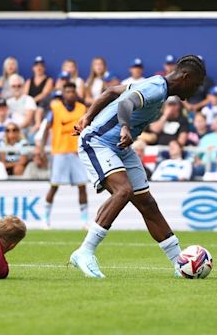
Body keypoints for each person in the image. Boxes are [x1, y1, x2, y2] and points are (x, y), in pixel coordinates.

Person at [69, 55, 206, 278]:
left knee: (147, 204)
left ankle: (179, 263)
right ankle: (85, 251)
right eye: (197, 84)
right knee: (124, 191)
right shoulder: (155, 87)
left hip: (120, 148)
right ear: (186, 77)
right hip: (99, 142)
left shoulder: (154, 85)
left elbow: (113, 91)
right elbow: (124, 102)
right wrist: (124, 127)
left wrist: (88, 114)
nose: (196, 90)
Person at [38, 82, 89, 228]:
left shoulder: (82, 108)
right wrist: (41, 148)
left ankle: (84, 221)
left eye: (73, 92)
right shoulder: (55, 109)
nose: (70, 94)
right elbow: (46, 128)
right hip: (59, 152)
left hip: (77, 152)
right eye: (67, 92)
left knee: (82, 185)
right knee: (54, 186)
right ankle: (45, 219)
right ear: (63, 93)